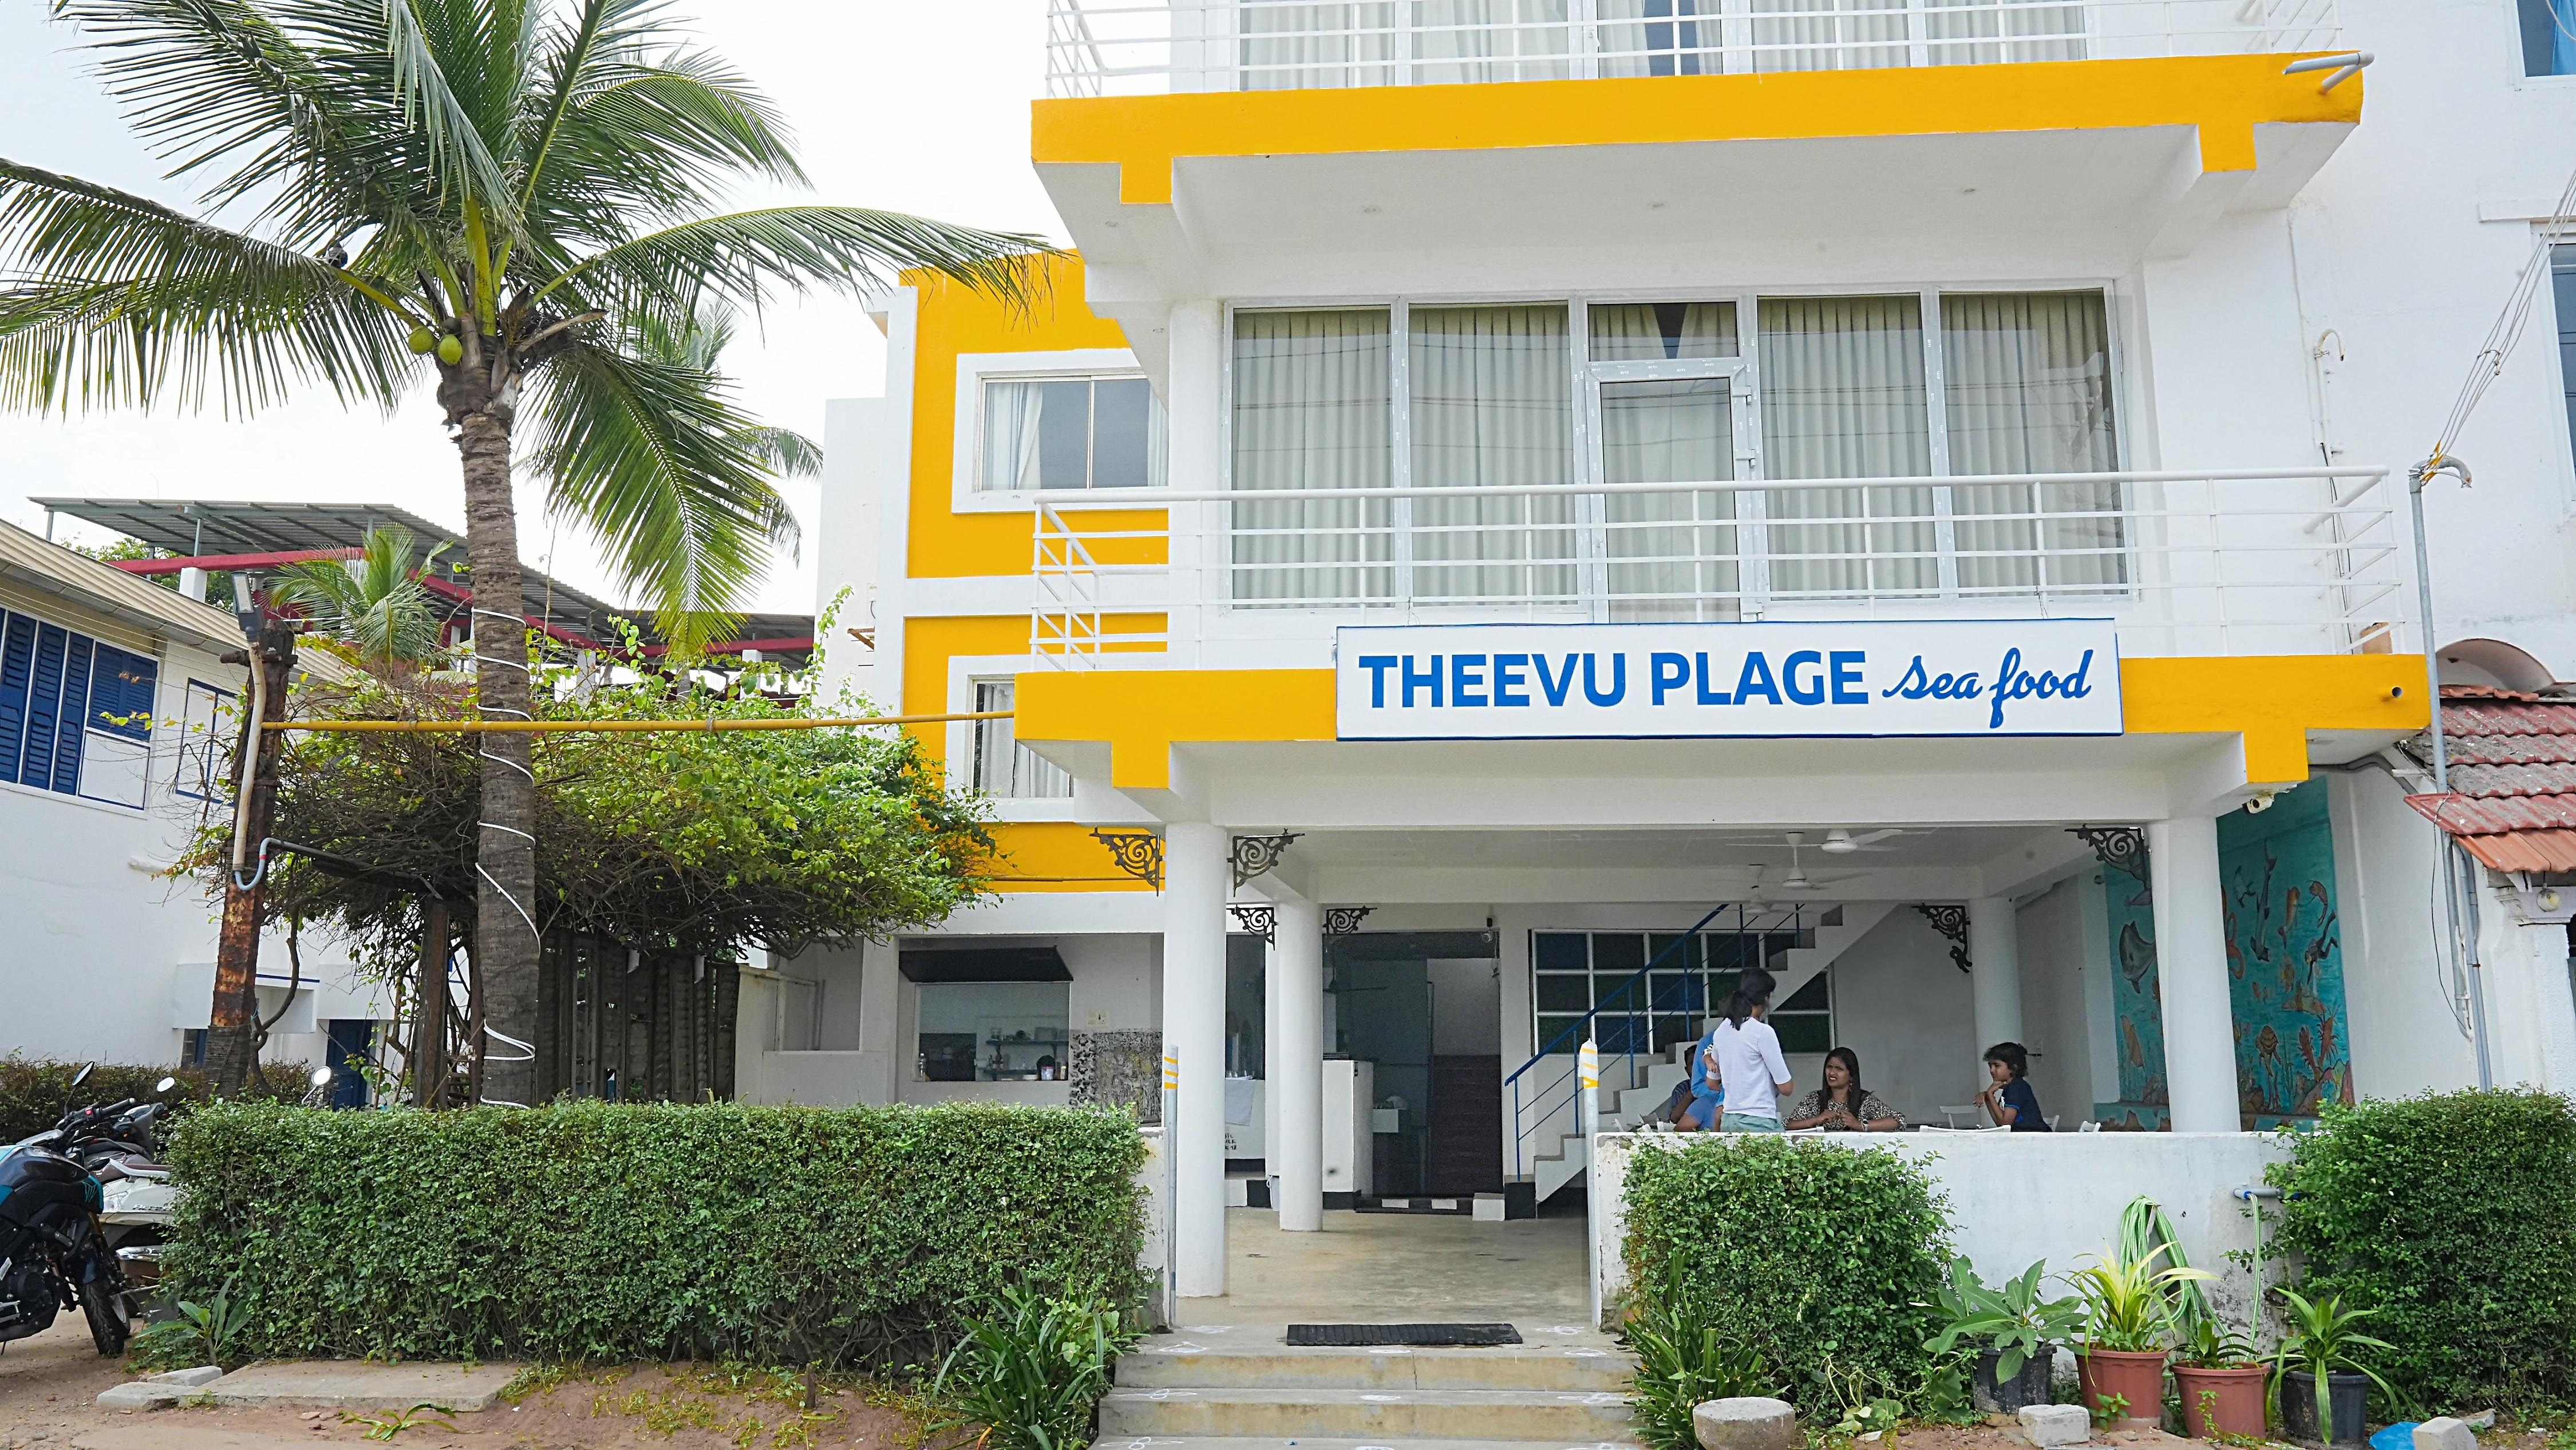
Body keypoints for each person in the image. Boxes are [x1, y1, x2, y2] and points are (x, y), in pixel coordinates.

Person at [1708, 967, 1793, 1132]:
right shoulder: (1762, 1032)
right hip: (1759, 1120)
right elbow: (1786, 1088)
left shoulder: (1721, 1031)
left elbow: (1712, 1082)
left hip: (1729, 1119)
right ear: (1765, 998)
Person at [1785, 1046, 1903, 1132]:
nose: (1832, 1073)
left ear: (1851, 1075)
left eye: (1839, 1069)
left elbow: (1898, 1121)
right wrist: (1816, 1120)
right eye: (1829, 1067)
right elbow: (1788, 1124)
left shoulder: (1864, 1100)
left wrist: (1859, 1125)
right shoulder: (1814, 1099)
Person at [1979, 1041, 2051, 1131]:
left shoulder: (2016, 1088)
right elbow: (2001, 1125)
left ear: (2013, 1068)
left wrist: (1990, 1094)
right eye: (1990, 1066)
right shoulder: (2011, 1087)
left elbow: (2005, 1124)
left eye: (1997, 1066)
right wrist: (1988, 1098)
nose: (1992, 1070)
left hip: (2034, 1136)